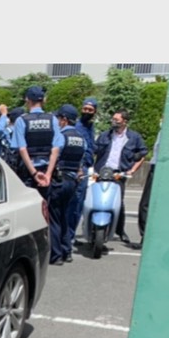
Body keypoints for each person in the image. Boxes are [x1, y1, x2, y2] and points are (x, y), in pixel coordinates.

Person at [93, 110, 148, 245]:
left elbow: (143, 153)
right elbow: (94, 150)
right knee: (97, 200)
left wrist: (132, 170)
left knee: (118, 203)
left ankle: (119, 230)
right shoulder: (105, 135)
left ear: (125, 121)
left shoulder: (133, 137)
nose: (114, 122)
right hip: (102, 172)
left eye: (117, 120)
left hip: (119, 174)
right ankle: (94, 229)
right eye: (113, 119)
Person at [46, 105, 88, 264]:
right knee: (65, 216)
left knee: (54, 217)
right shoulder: (81, 138)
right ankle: (67, 251)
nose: (57, 122)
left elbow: (54, 156)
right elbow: (82, 161)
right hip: (73, 181)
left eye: (58, 118)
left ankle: (56, 255)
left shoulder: (61, 136)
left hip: (59, 179)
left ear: (64, 120)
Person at [10, 86, 63, 197]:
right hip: (47, 171)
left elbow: (22, 149)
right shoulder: (52, 119)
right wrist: (48, 174)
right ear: (43, 100)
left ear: (27, 100)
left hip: (28, 173)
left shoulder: (21, 120)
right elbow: (56, 149)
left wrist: (34, 173)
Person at [68, 97, 99, 246]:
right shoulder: (77, 126)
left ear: (95, 111)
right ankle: (67, 237)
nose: (87, 112)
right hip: (77, 169)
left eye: (90, 110)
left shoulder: (91, 127)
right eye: (85, 109)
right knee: (73, 204)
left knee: (79, 205)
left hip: (86, 168)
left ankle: (71, 235)